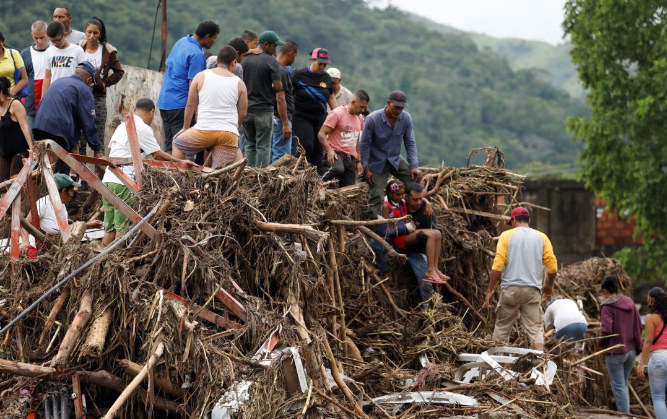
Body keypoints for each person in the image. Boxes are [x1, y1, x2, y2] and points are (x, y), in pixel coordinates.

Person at [102, 98, 192, 245]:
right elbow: (158, 154)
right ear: (151, 112)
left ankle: (102, 265)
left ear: (134, 110)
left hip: (108, 180)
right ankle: (114, 264)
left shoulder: (122, 126)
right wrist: (182, 162)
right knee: (122, 230)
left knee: (109, 229)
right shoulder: (142, 128)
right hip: (124, 182)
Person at [483, 206, 558, 351]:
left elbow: (498, 265)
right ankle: (540, 365)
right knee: (535, 329)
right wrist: (549, 285)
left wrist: (490, 289)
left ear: (514, 220)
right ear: (529, 220)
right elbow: (553, 267)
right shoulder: (542, 237)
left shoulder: (506, 236)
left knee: (502, 328)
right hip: (532, 291)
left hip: (510, 290)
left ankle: (497, 367)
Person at [172, 46, 247, 168]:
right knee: (219, 173)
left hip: (204, 130)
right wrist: (232, 127)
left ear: (217, 60)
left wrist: (185, 127)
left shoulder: (201, 76)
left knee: (177, 143)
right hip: (228, 134)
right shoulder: (239, 83)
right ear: (234, 62)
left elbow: (190, 105)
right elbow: (243, 113)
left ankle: (181, 176)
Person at [157, 20, 219, 153]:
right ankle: (179, 173)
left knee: (169, 145)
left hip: (164, 101)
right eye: (214, 38)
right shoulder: (196, 55)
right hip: (180, 104)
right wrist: (197, 112)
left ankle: (169, 172)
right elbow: (194, 86)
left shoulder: (181, 42)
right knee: (181, 145)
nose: (214, 42)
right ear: (207, 36)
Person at [373, 182, 438, 302]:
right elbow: (383, 230)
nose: (418, 203)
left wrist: (427, 203)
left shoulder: (424, 210)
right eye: (415, 200)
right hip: (398, 243)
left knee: (426, 282)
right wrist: (406, 228)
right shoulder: (394, 204)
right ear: (407, 197)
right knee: (376, 242)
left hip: (415, 250)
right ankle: (385, 273)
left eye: (420, 200)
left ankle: (430, 309)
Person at [359, 90, 421, 215]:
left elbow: (410, 142)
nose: (398, 111)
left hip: (395, 159)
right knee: (376, 195)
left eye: (401, 108)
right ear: (388, 103)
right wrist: (366, 168)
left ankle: (414, 216)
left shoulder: (406, 118)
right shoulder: (372, 119)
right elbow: (364, 145)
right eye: (396, 107)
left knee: (414, 183)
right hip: (376, 162)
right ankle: (374, 228)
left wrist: (414, 166)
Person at [34, 61, 103, 167]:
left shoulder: (59, 81)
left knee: (43, 165)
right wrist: (97, 147)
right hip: (58, 132)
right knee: (61, 169)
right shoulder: (84, 89)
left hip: (39, 126)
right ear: (88, 80)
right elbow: (88, 122)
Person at [378, 179, 447, 283]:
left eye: (402, 195)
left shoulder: (400, 201)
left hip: (406, 233)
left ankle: (435, 268)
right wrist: (405, 228)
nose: (401, 197)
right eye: (398, 195)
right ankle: (430, 270)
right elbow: (385, 229)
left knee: (437, 233)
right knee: (430, 235)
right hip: (399, 238)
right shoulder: (386, 206)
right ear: (390, 193)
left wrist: (427, 203)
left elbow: (417, 198)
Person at [19, 174, 103, 256]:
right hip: (38, 249)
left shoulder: (61, 205)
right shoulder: (43, 204)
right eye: (71, 192)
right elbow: (25, 225)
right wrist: (25, 242)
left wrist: (87, 225)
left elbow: (64, 229)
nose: (72, 195)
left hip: (55, 247)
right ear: (63, 191)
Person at [77, 16, 124, 155]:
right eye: (89, 32)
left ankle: (100, 172)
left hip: (98, 96)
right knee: (80, 136)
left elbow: (119, 71)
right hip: (80, 96)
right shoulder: (79, 48)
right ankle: (80, 174)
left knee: (98, 134)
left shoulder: (108, 51)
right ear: (85, 31)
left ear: (101, 34)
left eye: (95, 33)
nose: (91, 36)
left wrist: (104, 83)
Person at [597, 274, 642, 413]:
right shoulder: (629, 302)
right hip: (631, 351)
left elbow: (606, 331)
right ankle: (626, 413)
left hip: (615, 352)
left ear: (605, 291)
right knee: (623, 383)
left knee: (618, 385)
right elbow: (639, 324)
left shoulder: (607, 306)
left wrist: (600, 343)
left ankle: (625, 415)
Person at [241, 30, 284, 168]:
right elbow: (278, 86)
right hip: (264, 110)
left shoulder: (245, 59)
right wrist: (267, 88)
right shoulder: (271, 61)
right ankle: (259, 177)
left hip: (246, 109)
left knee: (250, 144)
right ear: (266, 44)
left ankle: (248, 172)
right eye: (274, 46)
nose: (275, 49)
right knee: (263, 146)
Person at [291, 48, 337, 170]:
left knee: (318, 149)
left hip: (320, 117)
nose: (322, 67)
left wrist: (338, 115)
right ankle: (297, 169)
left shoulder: (326, 77)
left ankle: (315, 177)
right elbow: (289, 94)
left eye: (325, 64)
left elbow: (331, 98)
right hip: (302, 117)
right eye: (320, 63)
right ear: (313, 60)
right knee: (306, 145)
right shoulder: (299, 75)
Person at [318, 90, 369, 186]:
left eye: (365, 107)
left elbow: (357, 141)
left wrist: (358, 161)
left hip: (350, 157)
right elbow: (321, 134)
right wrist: (329, 150)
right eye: (361, 106)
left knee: (349, 188)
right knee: (338, 169)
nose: (363, 110)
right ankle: (317, 184)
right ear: (353, 101)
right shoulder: (337, 113)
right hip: (336, 153)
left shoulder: (360, 118)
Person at [638, 287, 667, 419]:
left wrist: (641, 363)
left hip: (659, 359)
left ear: (652, 299)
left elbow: (648, 341)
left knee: (658, 397)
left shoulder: (651, 318)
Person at [270, 40, 298, 164]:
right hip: (280, 118)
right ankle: (275, 182)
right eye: (295, 55)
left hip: (273, 117)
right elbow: (280, 98)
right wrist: (286, 123)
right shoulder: (280, 71)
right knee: (281, 156)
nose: (294, 59)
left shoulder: (271, 66)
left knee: (272, 152)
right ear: (290, 53)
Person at [0, 77, 33, 181]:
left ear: (1, 92)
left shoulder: (15, 104)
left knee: (14, 182)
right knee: (2, 183)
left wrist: (31, 149)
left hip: (19, 150)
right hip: (4, 151)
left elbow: (24, 127)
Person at [41, 21, 87, 97]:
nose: (55, 44)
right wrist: (43, 99)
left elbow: (84, 75)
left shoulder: (77, 50)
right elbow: (47, 76)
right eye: (52, 41)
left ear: (65, 35)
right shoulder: (49, 51)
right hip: (55, 93)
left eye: (57, 40)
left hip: (72, 93)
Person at [20, 21, 50, 131]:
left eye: (42, 37)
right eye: (36, 38)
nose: (39, 41)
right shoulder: (25, 54)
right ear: (32, 35)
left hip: (51, 102)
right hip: (30, 104)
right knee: (30, 139)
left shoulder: (54, 52)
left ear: (48, 35)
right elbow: (21, 78)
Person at [0, 30, 28, 98]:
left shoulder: (13, 53)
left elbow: (24, 79)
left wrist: (11, 94)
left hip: (11, 99)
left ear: (2, 41)